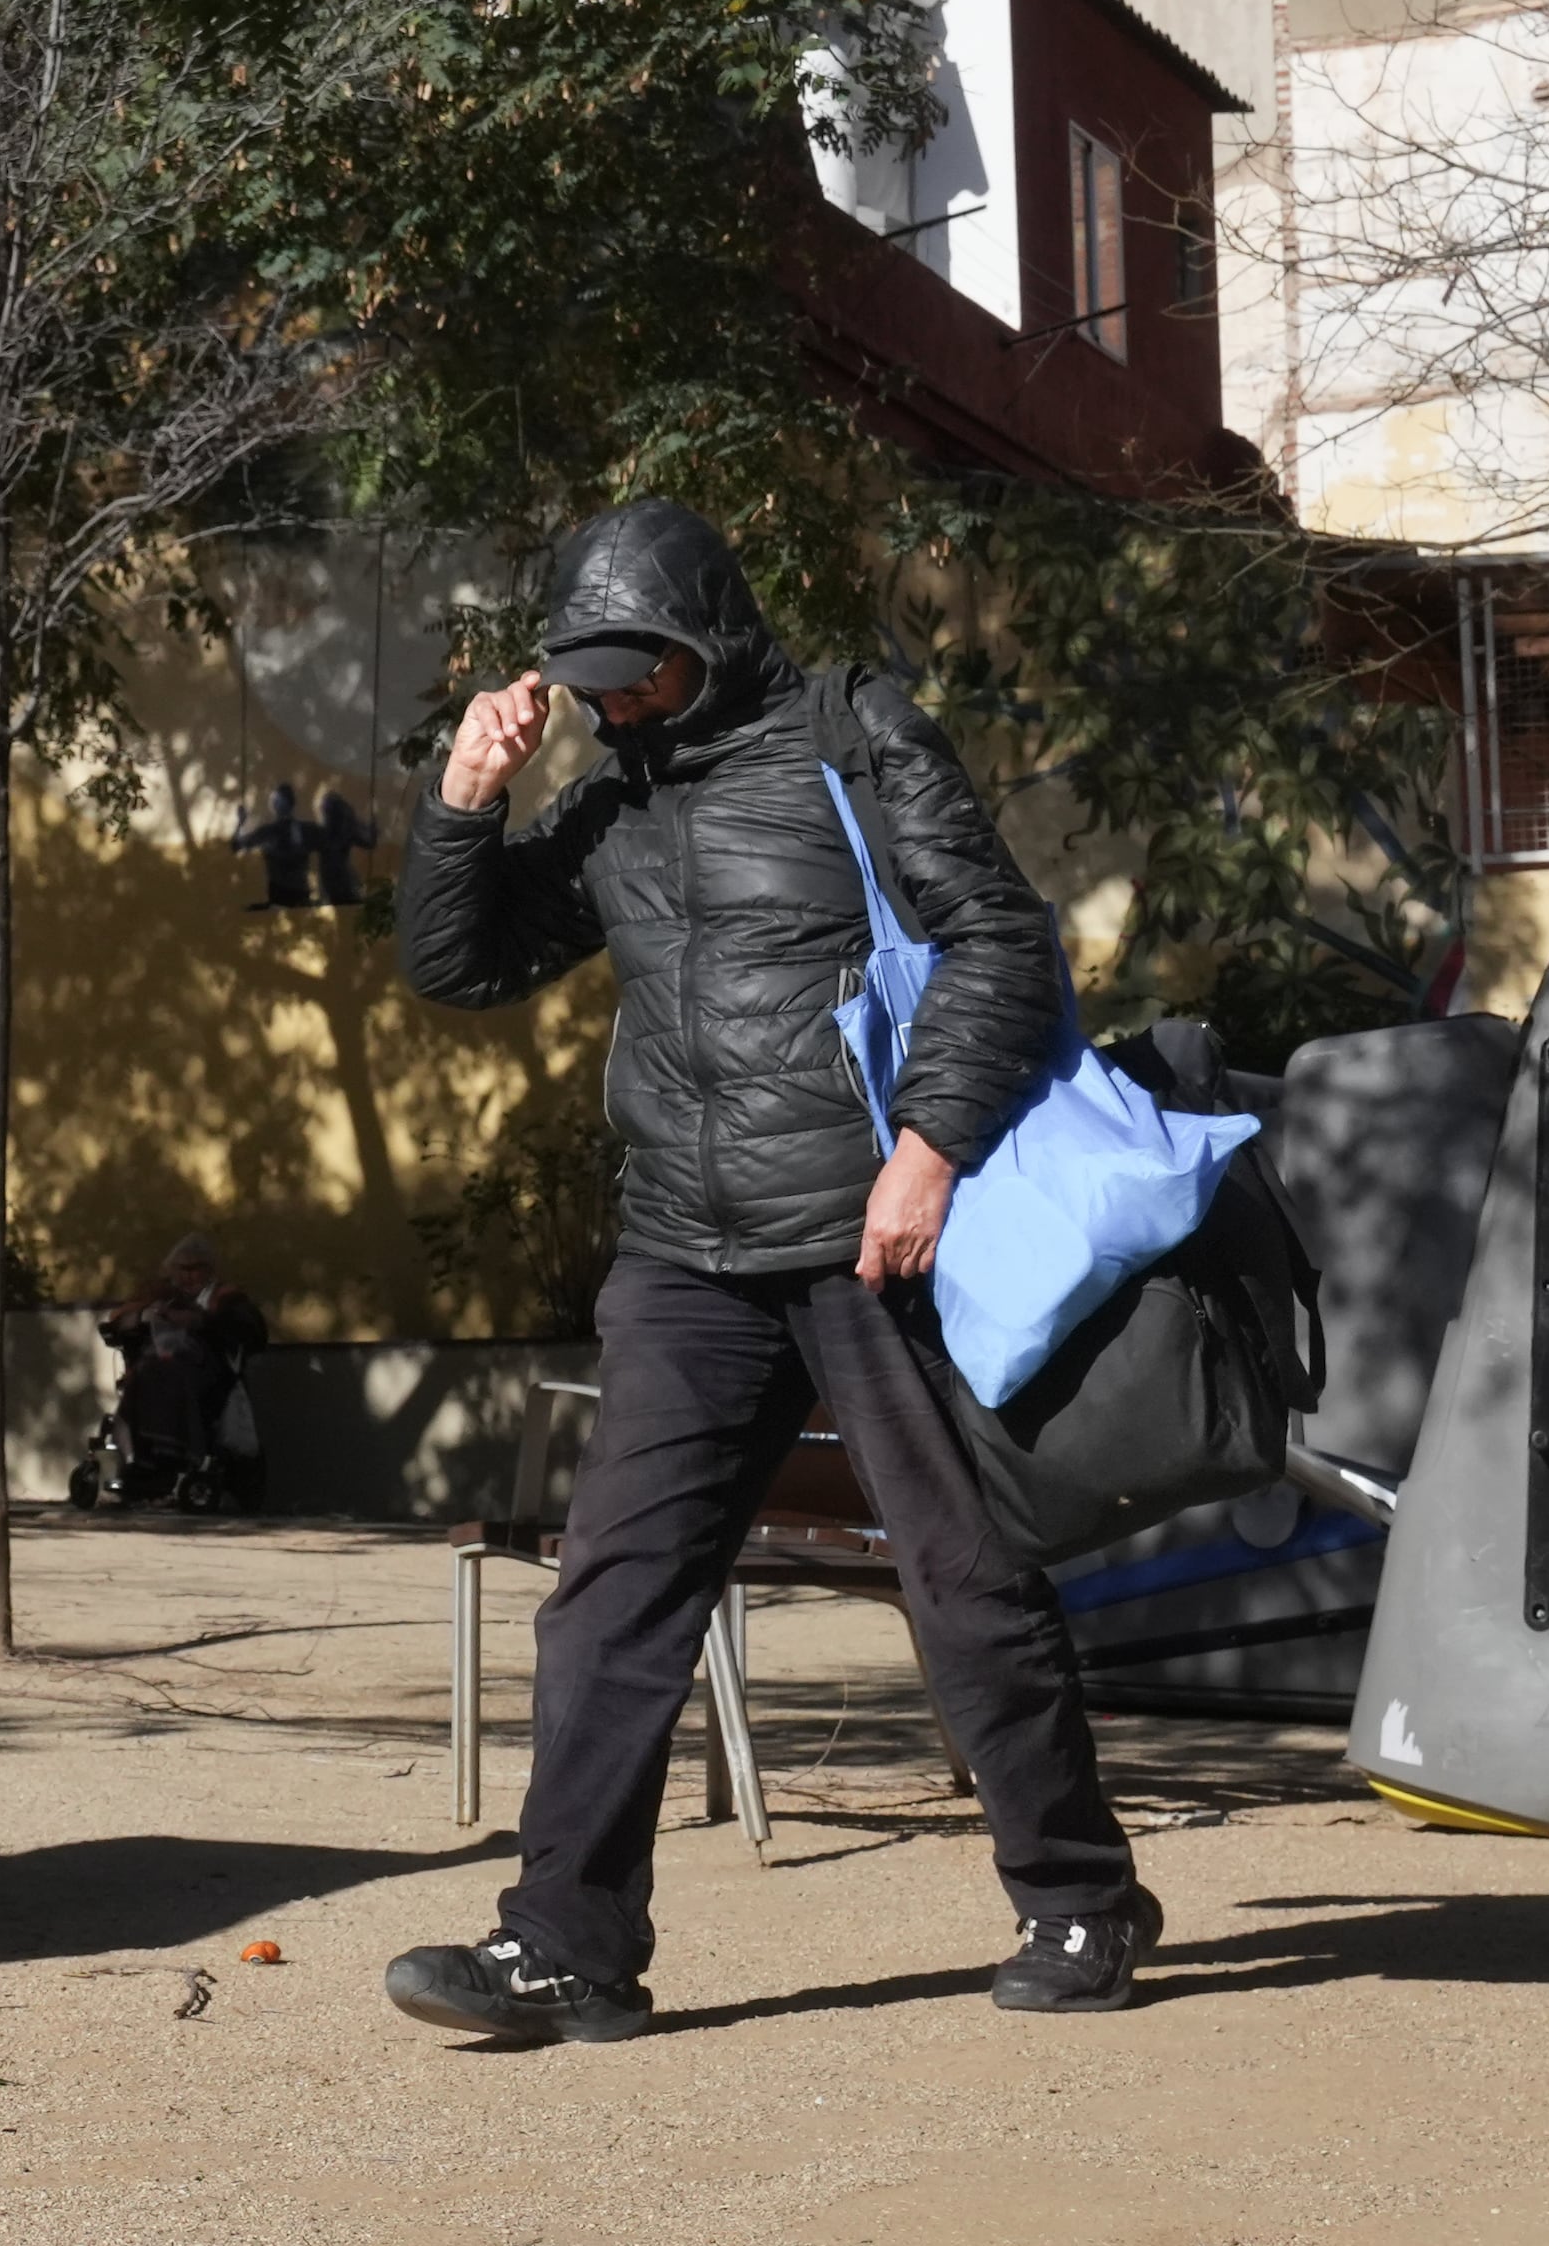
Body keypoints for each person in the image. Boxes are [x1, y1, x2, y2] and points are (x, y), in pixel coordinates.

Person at [378, 499, 1153, 2044]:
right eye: (598, 680)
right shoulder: (610, 807)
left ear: (707, 636)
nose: (617, 703)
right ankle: (567, 1945)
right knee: (609, 1598)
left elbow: (995, 933)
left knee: (962, 1580)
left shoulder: (850, 734)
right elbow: (461, 965)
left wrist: (927, 1148)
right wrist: (464, 801)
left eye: (643, 672)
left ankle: (1080, 1894)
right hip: (686, 1250)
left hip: (872, 1235)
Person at [97, 1231, 268, 1500]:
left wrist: (199, 1321)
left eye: (195, 1269)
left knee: (164, 1377)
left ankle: (175, 1462)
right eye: (182, 1269)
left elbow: (252, 1330)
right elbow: (116, 1320)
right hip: (154, 1373)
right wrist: (144, 1316)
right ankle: (135, 1463)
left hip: (204, 1377)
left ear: (209, 1270)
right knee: (144, 1377)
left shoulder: (224, 1297)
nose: (188, 1276)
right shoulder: (162, 1295)